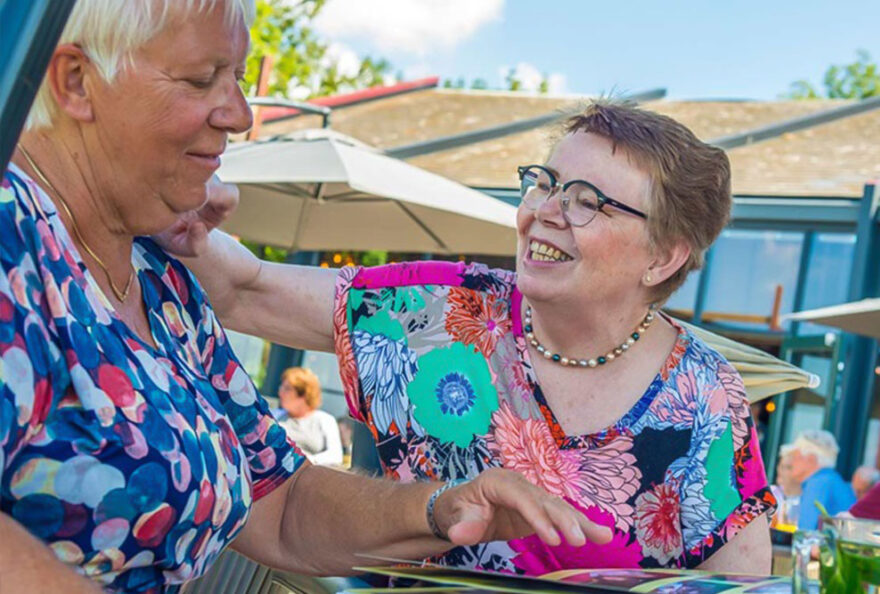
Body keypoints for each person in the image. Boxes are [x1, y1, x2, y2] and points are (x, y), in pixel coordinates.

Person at [0, 1, 610, 591]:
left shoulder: (160, 278)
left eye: (237, 78)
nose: (240, 115)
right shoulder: (14, 239)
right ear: (77, 82)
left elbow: (281, 503)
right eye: (200, 79)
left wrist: (440, 509)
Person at [179, 100, 776, 574]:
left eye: (587, 201)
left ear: (664, 257)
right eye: (544, 183)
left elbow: (741, 581)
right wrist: (177, 205)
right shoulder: (445, 309)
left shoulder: (705, 398)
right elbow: (242, 289)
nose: (544, 209)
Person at [785, 430, 856, 530]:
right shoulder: (831, 479)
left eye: (795, 457)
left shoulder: (818, 483)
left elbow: (805, 532)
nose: (791, 462)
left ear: (811, 459)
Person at [277, 367, 343, 466]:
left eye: (287, 389)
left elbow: (335, 456)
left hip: (312, 474)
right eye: (281, 388)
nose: (280, 393)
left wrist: (305, 461)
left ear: (304, 394)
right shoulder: (275, 418)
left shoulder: (325, 420)